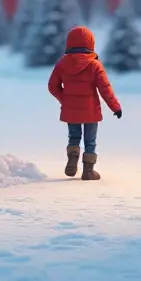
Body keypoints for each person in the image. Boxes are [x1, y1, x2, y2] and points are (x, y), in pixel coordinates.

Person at [47, 26, 122, 181]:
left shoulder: (62, 64)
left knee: (73, 137)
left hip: (70, 110)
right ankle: (88, 171)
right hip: (90, 110)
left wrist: (65, 99)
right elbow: (105, 89)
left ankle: (72, 161)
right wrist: (115, 107)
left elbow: (52, 86)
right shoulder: (95, 65)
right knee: (90, 140)